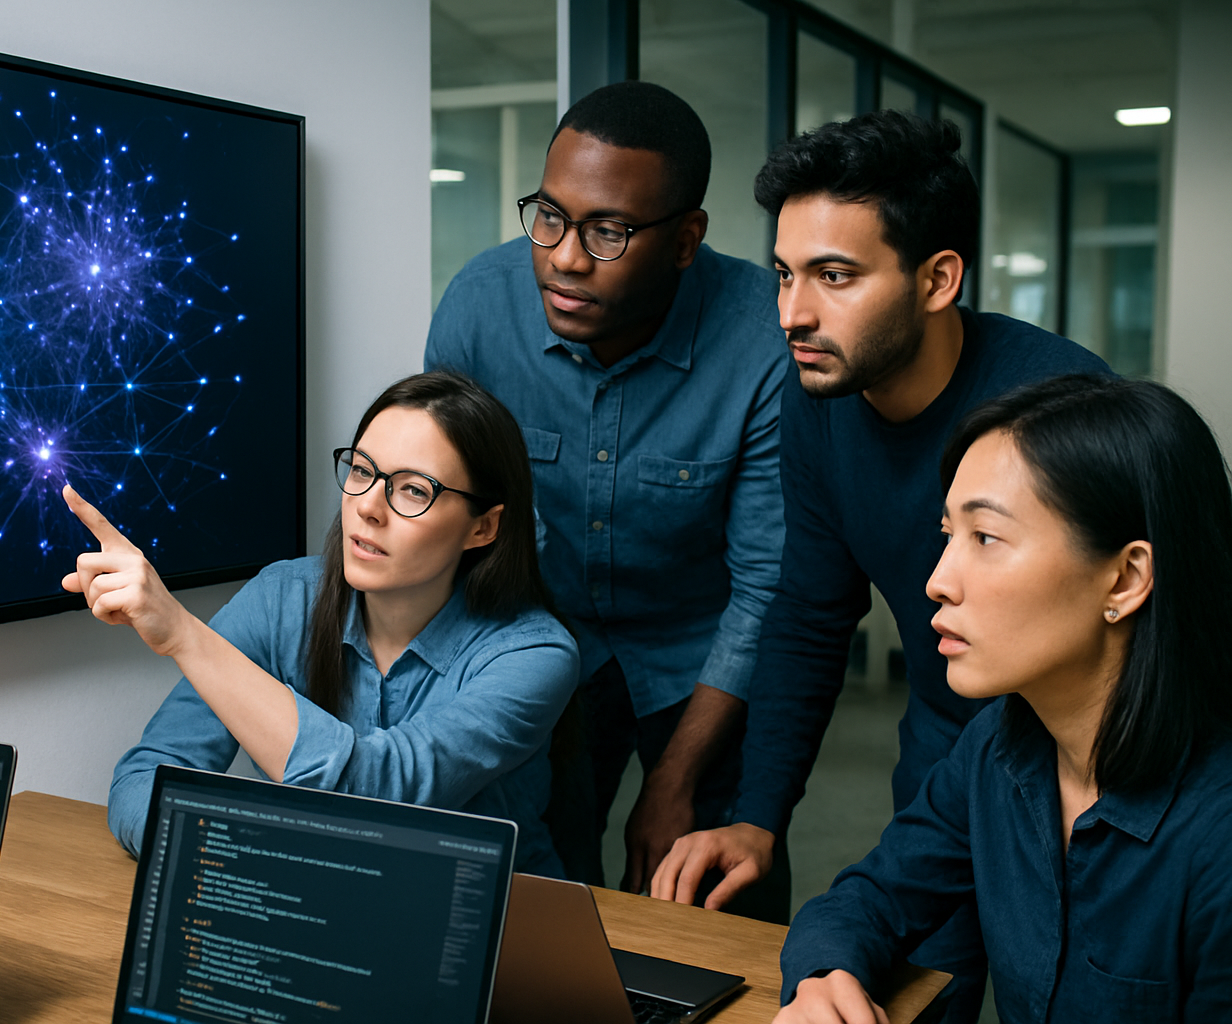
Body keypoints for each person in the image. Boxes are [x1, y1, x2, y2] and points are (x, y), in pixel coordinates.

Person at [650, 109, 1110, 1018]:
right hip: (950, 760)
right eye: (784, 275)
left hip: (1092, 772)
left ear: (938, 279)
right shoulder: (818, 394)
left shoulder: (1065, 411)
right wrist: (757, 814)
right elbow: (811, 612)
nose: (793, 314)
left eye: (835, 276)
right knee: (916, 993)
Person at [425, 81, 791, 918]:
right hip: (544, 637)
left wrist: (675, 780)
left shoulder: (766, 342)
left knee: (714, 898)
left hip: (705, 659)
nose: (564, 256)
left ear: (687, 239)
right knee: (534, 891)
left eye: (608, 231)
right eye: (548, 216)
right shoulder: (481, 306)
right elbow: (445, 508)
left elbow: (767, 583)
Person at [776, 375, 1232, 1023]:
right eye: (947, 534)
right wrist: (826, 978)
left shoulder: (1216, 837)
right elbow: (870, 896)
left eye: (985, 539)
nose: (937, 582)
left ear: (1127, 578)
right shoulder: (998, 745)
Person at [71, 371, 580, 875]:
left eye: (412, 490)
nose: (368, 508)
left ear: (483, 526)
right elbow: (149, 776)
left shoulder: (533, 655)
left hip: (485, 930)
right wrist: (240, 870)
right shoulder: (282, 598)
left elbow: (374, 794)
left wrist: (184, 634)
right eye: (362, 471)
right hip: (309, 913)